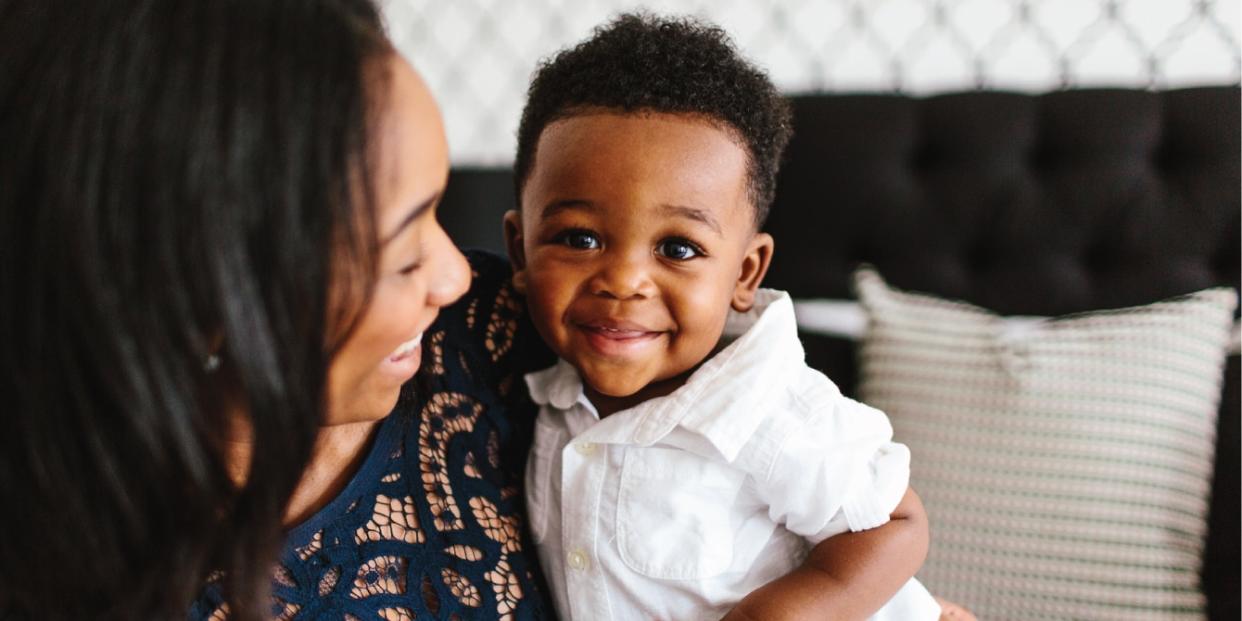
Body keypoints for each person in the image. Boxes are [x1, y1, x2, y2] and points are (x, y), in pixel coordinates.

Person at [1, 1, 552, 619]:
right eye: (401, 257)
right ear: (191, 300)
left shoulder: (503, 346)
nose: (455, 276)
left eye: (437, 210)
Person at [503, 14, 942, 620]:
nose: (624, 281)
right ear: (518, 248)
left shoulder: (770, 410)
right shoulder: (534, 391)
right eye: (579, 238)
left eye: (678, 248)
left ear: (744, 274)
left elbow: (895, 522)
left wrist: (780, 614)